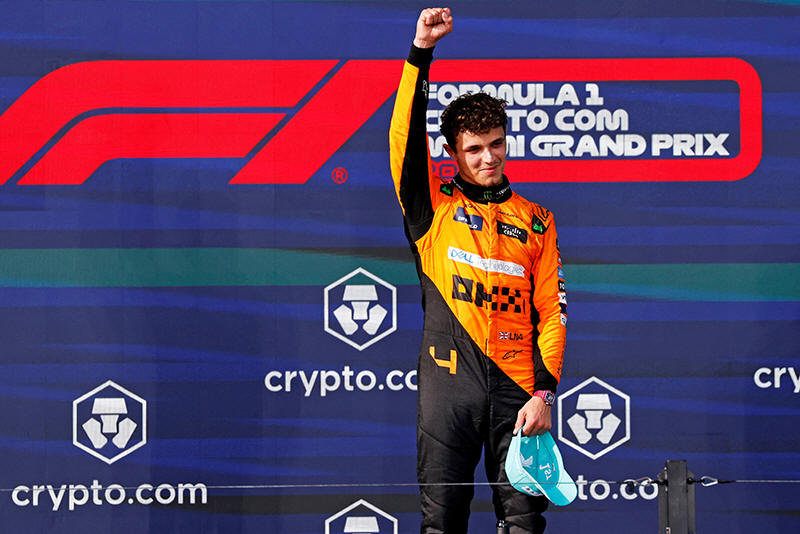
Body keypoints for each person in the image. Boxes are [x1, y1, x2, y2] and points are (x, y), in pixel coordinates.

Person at [389, 7, 567, 534]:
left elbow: (551, 312)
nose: (488, 158)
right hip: (448, 391)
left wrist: (544, 394)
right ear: (452, 153)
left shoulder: (537, 220)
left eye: (496, 144)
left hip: (519, 393)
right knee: (442, 524)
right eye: (473, 149)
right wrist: (421, 52)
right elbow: (403, 139)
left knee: (525, 523)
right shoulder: (431, 210)